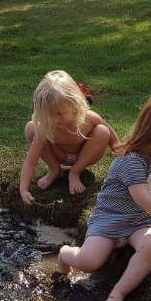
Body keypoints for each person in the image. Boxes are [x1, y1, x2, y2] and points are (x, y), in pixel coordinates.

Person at [58, 95, 151, 301]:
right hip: (112, 217)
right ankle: (65, 253)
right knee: (89, 262)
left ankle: (119, 292)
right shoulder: (130, 161)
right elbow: (143, 199)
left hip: (141, 219)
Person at [20, 70, 119, 204]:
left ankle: (75, 172)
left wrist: (127, 161)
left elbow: (115, 143)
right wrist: (24, 190)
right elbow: (31, 161)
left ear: (74, 104)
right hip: (59, 154)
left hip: (84, 155)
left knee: (103, 131)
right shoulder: (46, 125)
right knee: (31, 127)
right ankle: (55, 170)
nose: (55, 119)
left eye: (60, 113)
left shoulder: (89, 118)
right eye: (50, 114)